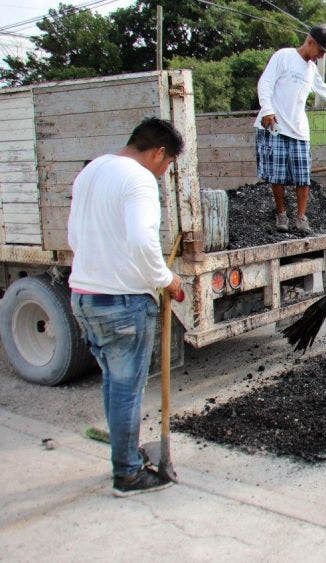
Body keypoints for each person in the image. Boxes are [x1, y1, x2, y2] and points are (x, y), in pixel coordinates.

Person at [68, 118, 184, 497]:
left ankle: (124, 454)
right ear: (158, 153)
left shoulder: (92, 171)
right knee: (127, 390)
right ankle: (128, 475)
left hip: (85, 295)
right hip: (122, 302)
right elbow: (141, 238)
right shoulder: (138, 179)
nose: (164, 172)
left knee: (114, 385)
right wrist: (166, 278)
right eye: (167, 165)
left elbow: (74, 234)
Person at [255, 24, 326, 234]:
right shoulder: (284, 56)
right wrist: (267, 110)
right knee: (277, 175)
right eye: (320, 51)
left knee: (303, 176)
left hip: (299, 129)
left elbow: (324, 90)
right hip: (276, 126)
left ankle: (300, 217)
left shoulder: (311, 69)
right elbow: (265, 83)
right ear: (310, 42)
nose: (320, 57)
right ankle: (281, 215)